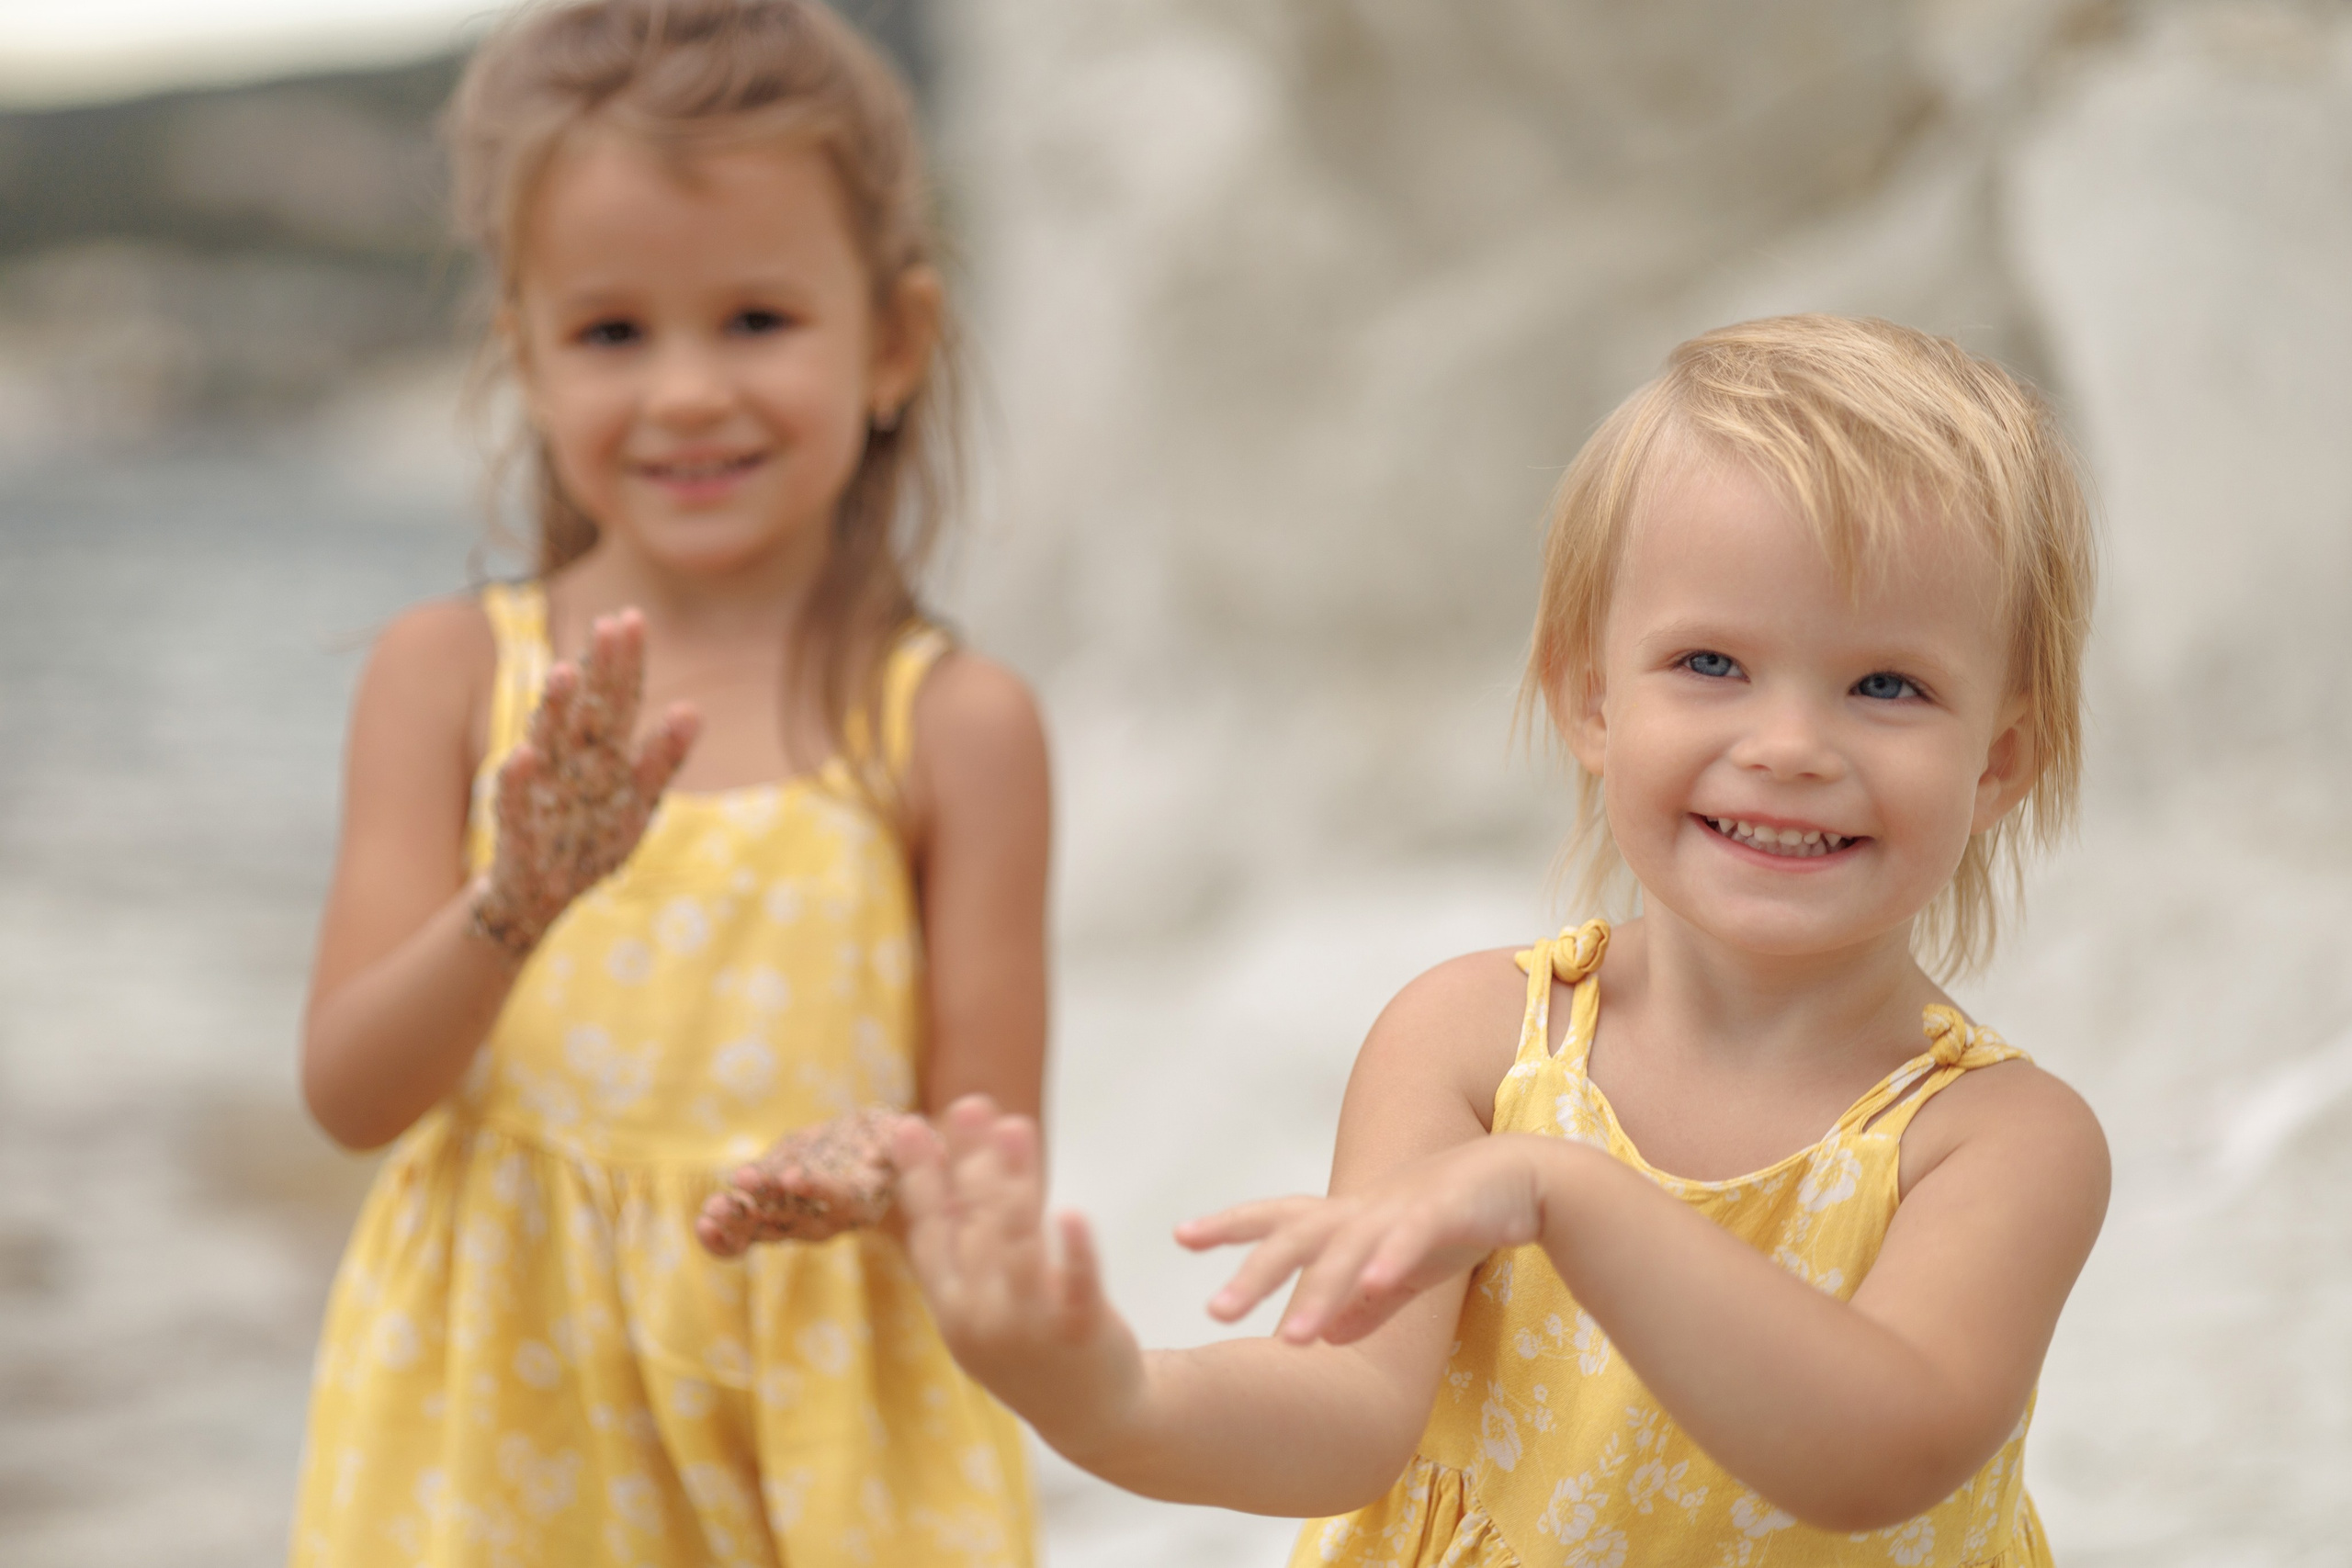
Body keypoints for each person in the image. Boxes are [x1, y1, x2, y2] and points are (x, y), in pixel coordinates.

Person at [893, 316, 2106, 1566]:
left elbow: (1878, 1454)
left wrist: (1568, 1198)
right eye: (1711, 663)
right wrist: (1111, 1397)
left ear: (1998, 760)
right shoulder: (1472, 1044)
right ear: (1593, 700)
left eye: (1887, 686)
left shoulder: (2002, 1143)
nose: (1790, 746)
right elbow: (1346, 1417)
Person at [289, 4, 1047, 1562]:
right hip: (504, 1419)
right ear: (527, 355)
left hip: (822, 1423)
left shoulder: (951, 723)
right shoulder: (450, 675)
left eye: (757, 319)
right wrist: (515, 904)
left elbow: (991, 1162)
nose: (688, 390)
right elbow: (352, 1095)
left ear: (891, 340)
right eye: (613, 334)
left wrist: (884, 1173)